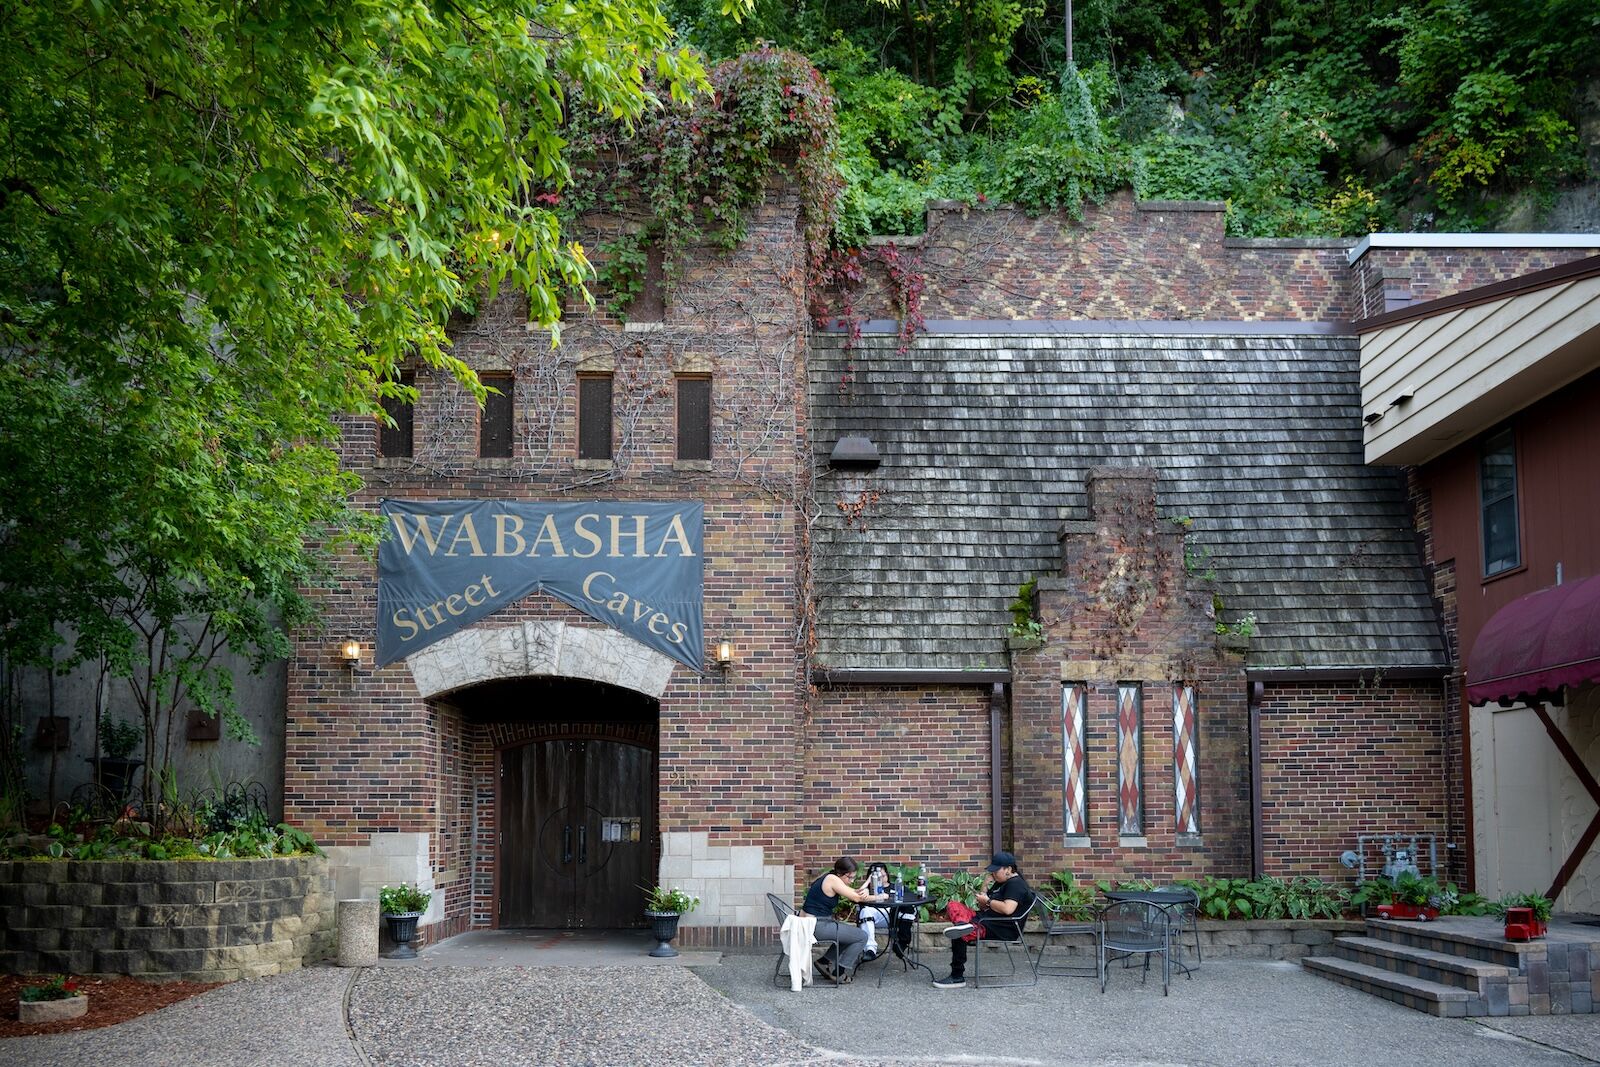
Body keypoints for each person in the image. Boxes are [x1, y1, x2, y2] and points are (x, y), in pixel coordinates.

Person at [933, 850, 1032, 988]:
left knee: (959, 933)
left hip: (998, 927)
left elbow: (1007, 908)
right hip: (984, 919)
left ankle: (957, 977)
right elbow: (983, 905)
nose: (993, 874)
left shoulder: (1015, 884)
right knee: (953, 905)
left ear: (1008, 869)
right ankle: (963, 925)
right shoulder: (1002, 882)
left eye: (996, 871)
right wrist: (985, 887)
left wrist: (989, 901)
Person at [802, 856, 887, 982]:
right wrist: (880, 896)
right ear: (840, 874)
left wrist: (868, 884)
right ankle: (838, 973)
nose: (852, 881)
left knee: (849, 935)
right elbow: (857, 898)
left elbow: (855, 892)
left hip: (813, 922)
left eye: (854, 877)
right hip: (816, 925)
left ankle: (824, 962)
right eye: (850, 877)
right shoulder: (832, 880)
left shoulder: (831, 878)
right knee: (861, 936)